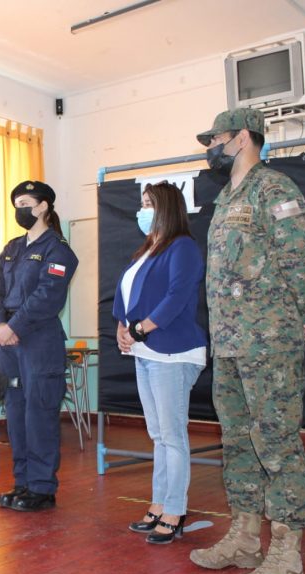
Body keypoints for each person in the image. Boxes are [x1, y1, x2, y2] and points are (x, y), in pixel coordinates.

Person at [189, 108, 305, 574]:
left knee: (276, 443)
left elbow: (301, 258)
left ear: (242, 137)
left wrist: (297, 316)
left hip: (269, 341)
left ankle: (287, 557)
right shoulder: (226, 198)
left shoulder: (274, 188)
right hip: (229, 342)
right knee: (239, 442)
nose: (212, 147)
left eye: (217, 138)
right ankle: (245, 538)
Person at [113, 181, 207, 544]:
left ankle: (175, 509)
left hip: (173, 352)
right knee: (158, 435)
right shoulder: (146, 250)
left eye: (149, 203)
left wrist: (140, 329)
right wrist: (124, 327)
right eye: (141, 204)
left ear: (166, 207)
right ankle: (159, 503)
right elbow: (125, 296)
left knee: (172, 435)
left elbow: (176, 296)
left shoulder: (182, 247)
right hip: (145, 351)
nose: (142, 210)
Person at [0, 180, 79, 512]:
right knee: (16, 411)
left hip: (37, 338)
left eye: (25, 202)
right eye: (16, 203)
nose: (20, 209)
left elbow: (47, 296)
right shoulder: (11, 248)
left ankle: (41, 487)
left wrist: (15, 326)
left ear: (42, 207)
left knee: (39, 412)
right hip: (8, 340)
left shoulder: (58, 249)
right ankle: (22, 482)